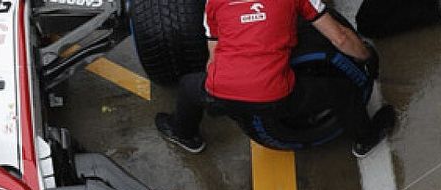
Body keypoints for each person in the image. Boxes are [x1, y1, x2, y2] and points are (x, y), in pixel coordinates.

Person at [154, 0, 395, 158]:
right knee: (343, 91)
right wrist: (367, 56)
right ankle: (365, 138)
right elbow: (340, 39)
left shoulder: (213, 3)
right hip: (275, 95)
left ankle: (185, 134)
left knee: (187, 86)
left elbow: (214, 58)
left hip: (220, 93)